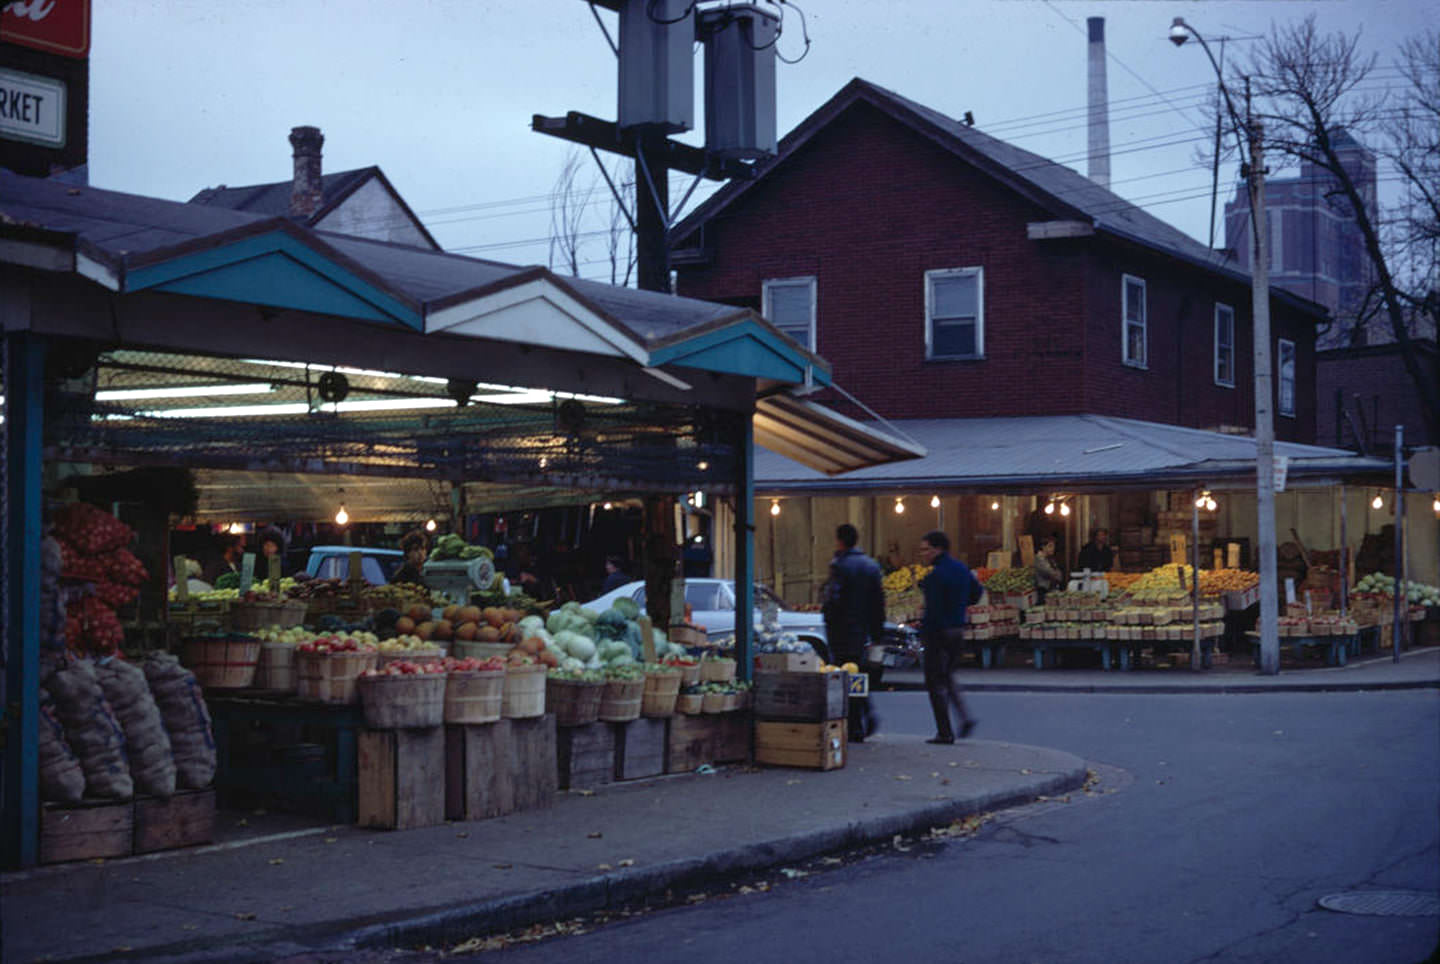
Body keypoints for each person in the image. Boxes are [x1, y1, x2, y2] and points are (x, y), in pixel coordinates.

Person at [821, 524, 885, 743]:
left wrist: (829, 618)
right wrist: (877, 632)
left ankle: (856, 722)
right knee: (857, 675)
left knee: (843, 676)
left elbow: (833, 599)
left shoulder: (840, 565)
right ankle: (862, 719)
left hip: (842, 631)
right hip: (862, 631)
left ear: (840, 540)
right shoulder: (871, 566)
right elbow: (879, 602)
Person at [917, 530, 980, 743]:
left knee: (934, 681)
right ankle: (964, 717)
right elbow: (977, 593)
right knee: (947, 675)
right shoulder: (962, 569)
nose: (922, 554)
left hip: (938, 633)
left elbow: (932, 611)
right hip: (957, 630)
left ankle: (944, 731)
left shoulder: (935, 576)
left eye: (926, 549)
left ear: (938, 549)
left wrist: (923, 631)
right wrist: (959, 607)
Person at [1033, 537, 1064, 603]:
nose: (1052, 549)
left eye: (1053, 546)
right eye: (1050, 546)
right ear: (1043, 547)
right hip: (1043, 592)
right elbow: (1051, 573)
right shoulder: (1039, 560)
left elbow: (1059, 575)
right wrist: (1056, 574)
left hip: (1050, 590)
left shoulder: (1049, 559)